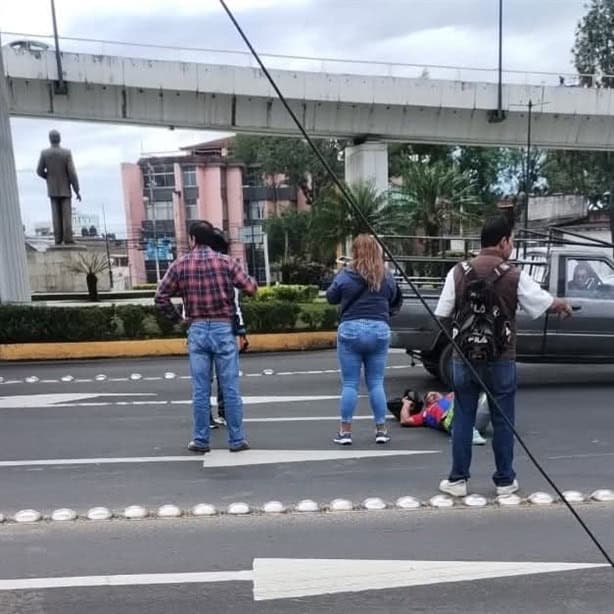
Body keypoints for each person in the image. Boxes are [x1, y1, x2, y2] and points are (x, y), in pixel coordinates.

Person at [435, 216, 572, 497]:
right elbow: (542, 302)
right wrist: (562, 305)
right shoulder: (513, 275)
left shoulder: (457, 272)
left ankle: (457, 480)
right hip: (501, 358)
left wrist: (462, 335)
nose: (512, 246)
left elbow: (441, 313)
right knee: (502, 420)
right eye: (511, 241)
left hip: (464, 359)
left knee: (463, 417)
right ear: (503, 242)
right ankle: (505, 481)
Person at [155, 220, 257, 453]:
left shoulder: (180, 265)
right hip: (223, 329)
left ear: (192, 239)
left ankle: (201, 440)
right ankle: (237, 439)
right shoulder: (226, 262)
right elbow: (250, 288)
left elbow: (160, 296)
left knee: (200, 389)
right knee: (230, 387)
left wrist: (179, 321)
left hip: (197, 328)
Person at [326, 234, 402, 445]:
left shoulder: (345, 275)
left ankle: (345, 432)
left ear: (355, 251)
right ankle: (381, 430)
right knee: (376, 382)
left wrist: (339, 276)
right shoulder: (386, 276)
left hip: (350, 330)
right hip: (379, 330)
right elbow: (395, 298)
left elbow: (331, 297)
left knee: (350, 383)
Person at [205, 227, 250, 429]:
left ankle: (205, 417)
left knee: (203, 378)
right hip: (224, 328)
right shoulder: (227, 267)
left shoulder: (191, 266)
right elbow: (236, 303)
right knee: (226, 376)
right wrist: (241, 331)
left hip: (199, 329)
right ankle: (226, 415)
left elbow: (186, 303)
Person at [387, 389, 488, 445]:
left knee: (488, 397)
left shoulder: (450, 395)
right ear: (427, 404)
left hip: (476, 416)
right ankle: (468, 434)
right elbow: (405, 420)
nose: (432, 395)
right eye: (429, 397)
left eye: (433, 393)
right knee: (458, 402)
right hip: (457, 422)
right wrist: (406, 403)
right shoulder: (426, 413)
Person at [36, 130, 81, 245]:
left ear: (50, 139)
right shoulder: (66, 153)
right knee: (67, 215)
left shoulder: (45, 153)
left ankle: (58, 239)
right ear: (59, 138)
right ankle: (68, 238)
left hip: (52, 189)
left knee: (55, 215)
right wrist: (77, 190)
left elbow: (39, 171)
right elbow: (72, 173)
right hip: (65, 188)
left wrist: (49, 177)